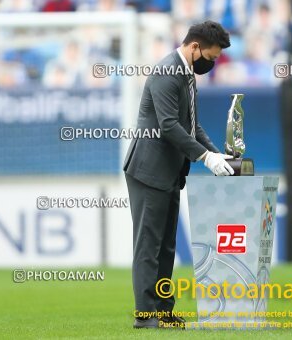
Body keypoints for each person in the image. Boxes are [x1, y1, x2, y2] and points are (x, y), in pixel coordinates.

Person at [123, 21, 234, 329]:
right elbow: (170, 125)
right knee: (149, 246)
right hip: (149, 171)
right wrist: (204, 157)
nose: (210, 63)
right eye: (210, 57)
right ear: (194, 47)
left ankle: (164, 310)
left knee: (166, 247)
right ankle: (146, 316)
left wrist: (215, 152)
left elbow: (193, 126)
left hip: (169, 172)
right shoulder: (167, 73)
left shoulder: (185, 75)